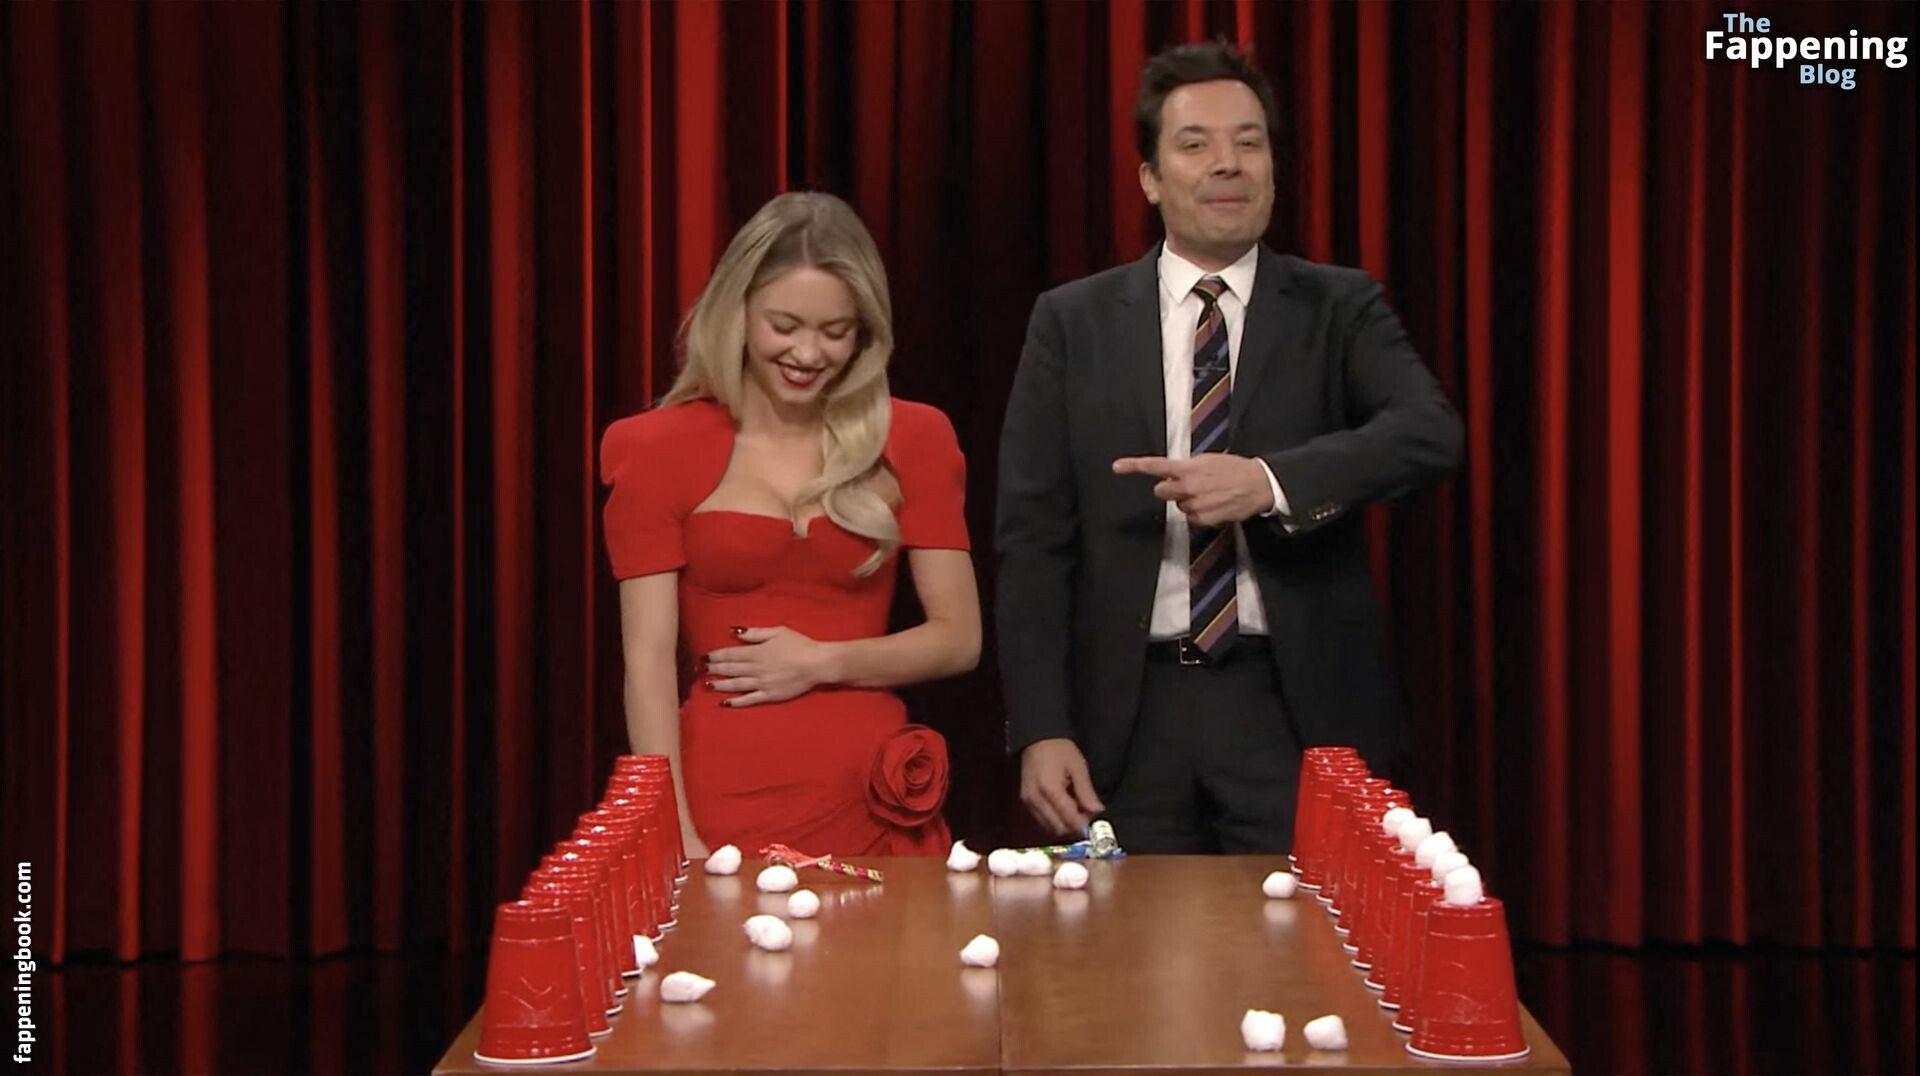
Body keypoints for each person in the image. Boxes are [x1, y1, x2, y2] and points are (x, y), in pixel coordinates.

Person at [995, 42, 1462, 854]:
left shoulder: (1338, 306)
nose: (1228, 164)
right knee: (1122, 935)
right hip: (1125, 717)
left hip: (1292, 708)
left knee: (1305, 934)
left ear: (1274, 170)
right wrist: (1040, 725)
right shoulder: (1072, 323)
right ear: (1150, 177)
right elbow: (1032, 540)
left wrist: (1270, 482)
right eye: (1196, 144)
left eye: (1250, 143)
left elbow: (1429, 432)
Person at [602, 192, 980, 859]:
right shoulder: (655, 448)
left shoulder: (915, 438)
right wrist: (675, 834)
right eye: (785, 325)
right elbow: (648, 663)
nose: (808, 352)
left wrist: (821, 661)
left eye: (836, 331)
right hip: (721, 800)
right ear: (739, 311)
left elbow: (959, 640)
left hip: (874, 800)